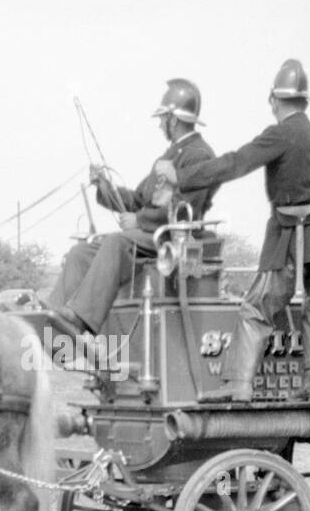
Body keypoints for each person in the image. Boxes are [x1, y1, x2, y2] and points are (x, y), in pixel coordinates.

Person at [157, 58, 310, 402]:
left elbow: (233, 164)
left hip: (285, 237)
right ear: (305, 102)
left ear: (274, 101)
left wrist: (182, 177)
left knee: (257, 309)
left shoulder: (278, 135)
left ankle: (240, 386)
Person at [46, 79, 218, 340]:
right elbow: (139, 199)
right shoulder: (170, 155)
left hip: (169, 240)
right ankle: (54, 312)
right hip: (147, 236)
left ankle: (80, 317)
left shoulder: (199, 155)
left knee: (116, 242)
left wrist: (139, 220)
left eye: (163, 119)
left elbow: (184, 211)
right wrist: (104, 187)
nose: (160, 124)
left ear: (174, 119)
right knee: (81, 252)